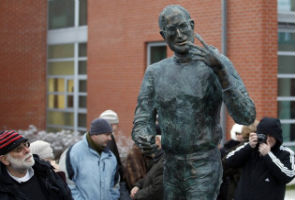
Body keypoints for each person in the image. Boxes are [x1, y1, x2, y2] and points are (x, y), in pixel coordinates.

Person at [131, 5, 256, 200]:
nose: (179, 35)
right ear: (163, 35)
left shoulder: (216, 64)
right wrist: (143, 137)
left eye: (183, 27)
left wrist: (221, 73)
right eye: (172, 30)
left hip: (204, 164)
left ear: (192, 26)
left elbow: (246, 115)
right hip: (171, 165)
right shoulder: (155, 73)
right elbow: (142, 118)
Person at [224, 117, 295, 200]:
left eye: (271, 135)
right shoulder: (250, 147)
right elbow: (228, 161)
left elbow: (287, 176)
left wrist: (268, 155)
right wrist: (249, 146)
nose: (268, 139)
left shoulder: (286, 153)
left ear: (277, 135)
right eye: (265, 135)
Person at [0, 130, 73, 200]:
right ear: (5, 160)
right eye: (18, 149)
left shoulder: (46, 172)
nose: (27, 150)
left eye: (26, 144)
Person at [67, 118, 120, 200]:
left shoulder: (111, 157)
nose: (110, 138)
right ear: (95, 134)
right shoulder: (75, 152)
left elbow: (115, 184)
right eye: (107, 134)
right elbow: (68, 183)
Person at [99, 109, 131, 200]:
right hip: (114, 184)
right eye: (116, 124)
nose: (117, 127)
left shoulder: (107, 138)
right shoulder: (107, 141)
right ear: (111, 124)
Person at [130, 132, 163, 200]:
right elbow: (150, 176)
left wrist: (137, 195)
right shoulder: (158, 157)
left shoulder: (165, 160)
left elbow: (157, 189)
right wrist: (138, 185)